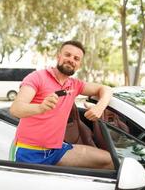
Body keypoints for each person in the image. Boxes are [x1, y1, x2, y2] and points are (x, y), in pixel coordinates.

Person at [10, 40, 113, 169]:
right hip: (27, 152)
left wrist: (99, 107)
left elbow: (106, 89)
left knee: (109, 160)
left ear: (79, 65)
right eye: (67, 55)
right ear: (58, 56)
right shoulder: (37, 77)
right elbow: (15, 109)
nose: (71, 60)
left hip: (56, 151)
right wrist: (40, 107)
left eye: (76, 58)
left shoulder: (75, 85)